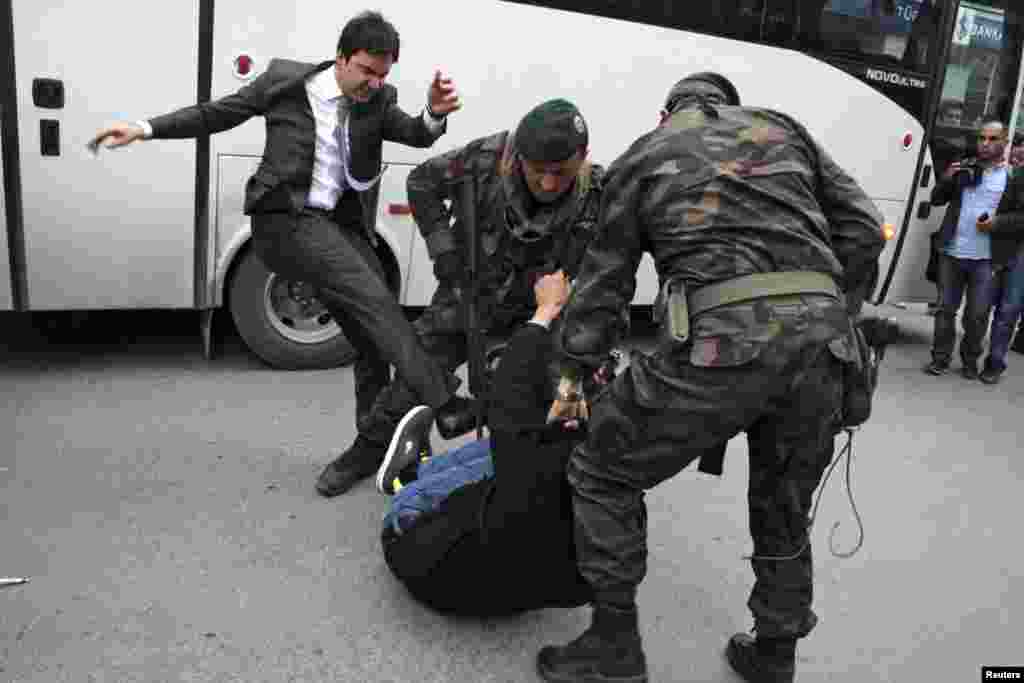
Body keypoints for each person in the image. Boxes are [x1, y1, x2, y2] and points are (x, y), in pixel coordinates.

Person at [535, 73, 885, 683]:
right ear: (729, 105)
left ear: (666, 110)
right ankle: (775, 653)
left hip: (723, 347)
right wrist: (830, 311)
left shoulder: (647, 152)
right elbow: (861, 226)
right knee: (783, 503)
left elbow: (603, 291)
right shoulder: (784, 128)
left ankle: (614, 644)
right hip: (825, 349)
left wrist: (574, 382)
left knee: (600, 471)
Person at [90, 11, 465, 494]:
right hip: (283, 223)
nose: (374, 84)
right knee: (372, 297)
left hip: (341, 227)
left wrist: (434, 113)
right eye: (367, 72)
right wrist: (145, 127)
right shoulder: (285, 83)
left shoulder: (377, 102)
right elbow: (216, 113)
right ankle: (446, 403)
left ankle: (369, 449)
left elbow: (417, 132)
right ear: (342, 58)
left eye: (383, 76)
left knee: (372, 338)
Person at [316, 99, 605, 496]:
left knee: (543, 403)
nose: (550, 184)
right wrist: (445, 253)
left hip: (536, 320)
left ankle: (526, 480)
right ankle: (366, 451)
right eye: (539, 172)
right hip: (465, 297)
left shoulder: (599, 194)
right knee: (412, 381)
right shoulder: (485, 160)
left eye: (562, 172)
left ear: (583, 156)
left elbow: (606, 280)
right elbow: (421, 182)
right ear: (519, 156)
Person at [376, 271, 598, 616]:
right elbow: (561, 419)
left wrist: (544, 314)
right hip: (520, 593)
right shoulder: (616, 467)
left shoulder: (532, 464)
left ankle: (406, 480)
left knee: (496, 458)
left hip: (430, 568)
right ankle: (418, 471)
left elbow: (510, 401)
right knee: (523, 453)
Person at [923, 120, 1009, 379]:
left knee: (977, 315)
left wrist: (997, 224)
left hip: (986, 258)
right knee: (945, 309)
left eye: (992, 139)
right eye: (982, 138)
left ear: (1004, 142)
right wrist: (949, 178)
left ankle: (970, 361)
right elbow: (936, 198)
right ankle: (940, 359)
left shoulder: (1010, 178)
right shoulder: (965, 168)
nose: (985, 143)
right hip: (952, 251)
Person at [978, 134, 1024, 383]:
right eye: (1017, 147)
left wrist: (997, 223)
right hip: (1001, 247)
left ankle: (995, 362)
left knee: (1008, 310)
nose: (1018, 152)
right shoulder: (1011, 175)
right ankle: (974, 356)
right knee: (985, 305)